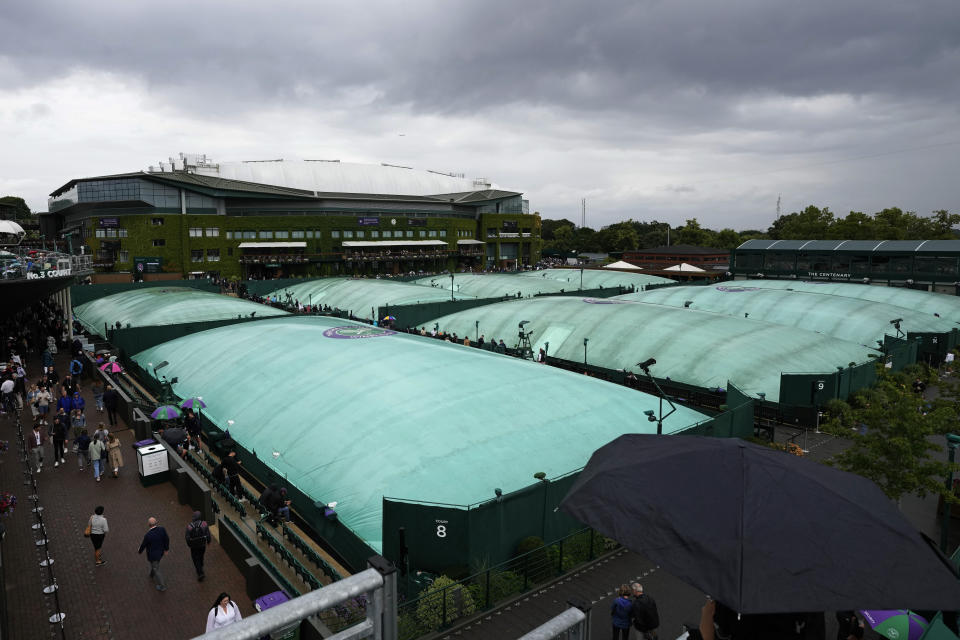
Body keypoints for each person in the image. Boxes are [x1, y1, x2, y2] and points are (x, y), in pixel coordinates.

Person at [138, 516, 170, 591]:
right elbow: (167, 539)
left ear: (149, 525)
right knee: (155, 564)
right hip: (161, 552)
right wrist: (166, 549)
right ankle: (152, 574)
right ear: (156, 523)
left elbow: (143, 545)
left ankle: (162, 586)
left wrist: (139, 551)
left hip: (153, 555)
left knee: (156, 569)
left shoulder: (148, 535)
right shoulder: (162, 529)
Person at [185, 511, 212, 581]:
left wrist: (189, 544)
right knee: (201, 555)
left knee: (195, 559)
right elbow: (208, 534)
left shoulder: (189, 526)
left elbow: (187, 538)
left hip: (194, 546)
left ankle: (200, 573)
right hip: (202, 544)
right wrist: (208, 541)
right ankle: (201, 564)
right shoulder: (204, 524)